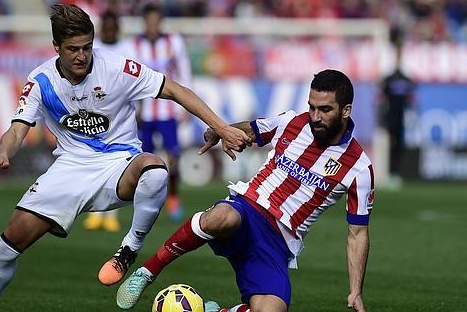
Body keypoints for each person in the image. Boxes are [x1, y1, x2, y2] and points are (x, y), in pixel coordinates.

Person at [0, 4, 250, 312]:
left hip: (119, 164)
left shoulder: (117, 68)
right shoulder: (40, 81)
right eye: (72, 49)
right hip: (69, 170)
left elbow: (175, 90)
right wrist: (4, 153)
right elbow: (18, 129)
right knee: (8, 246)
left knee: (155, 170)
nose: (81, 56)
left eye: (87, 47)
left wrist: (220, 126)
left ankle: (129, 250)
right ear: (56, 47)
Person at [117, 69, 374, 312]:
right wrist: (222, 131)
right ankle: (147, 272)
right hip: (248, 208)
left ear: (346, 110)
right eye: (312, 107)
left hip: (279, 241)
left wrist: (355, 291)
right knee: (220, 217)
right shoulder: (292, 122)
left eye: (325, 109)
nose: (315, 117)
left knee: (272, 309)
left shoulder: (359, 169)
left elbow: (358, 234)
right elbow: (252, 129)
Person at [133, 2, 193, 221]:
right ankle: (147, 201)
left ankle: (174, 196)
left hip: (168, 111)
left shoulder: (173, 41)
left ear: (160, 22)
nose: (152, 24)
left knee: (173, 156)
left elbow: (183, 71)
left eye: (155, 20)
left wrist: (186, 104)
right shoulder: (135, 45)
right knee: (144, 159)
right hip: (145, 113)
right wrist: (135, 107)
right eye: (148, 20)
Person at [82, 9, 135, 233]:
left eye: (113, 27)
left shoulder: (127, 49)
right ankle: (97, 213)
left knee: (117, 162)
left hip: (120, 113)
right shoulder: (92, 49)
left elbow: (134, 82)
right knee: (94, 161)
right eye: (106, 27)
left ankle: (111, 214)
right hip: (96, 112)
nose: (110, 31)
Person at [380, 41, 415, 188]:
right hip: (390, 117)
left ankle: (395, 173)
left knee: (398, 145)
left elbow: (411, 100)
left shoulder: (407, 80)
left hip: (401, 118)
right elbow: (381, 99)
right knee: (388, 145)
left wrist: (411, 115)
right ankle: (387, 172)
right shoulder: (388, 79)